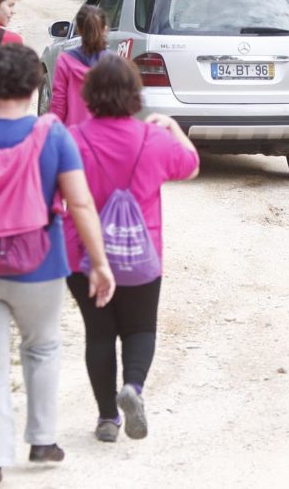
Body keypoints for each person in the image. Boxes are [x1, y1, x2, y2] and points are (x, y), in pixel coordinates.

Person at [0, 43, 116, 489]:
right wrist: (100, 263)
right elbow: (81, 203)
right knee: (43, 347)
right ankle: (43, 440)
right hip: (39, 264)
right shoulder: (53, 134)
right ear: (35, 87)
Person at [64, 55, 199, 444]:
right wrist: (172, 127)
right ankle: (133, 389)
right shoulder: (153, 139)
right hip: (142, 257)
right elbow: (190, 165)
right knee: (140, 328)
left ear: (90, 95)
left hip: (84, 256)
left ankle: (107, 418)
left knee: (99, 335)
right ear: (134, 95)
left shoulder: (73, 139)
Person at [51, 5, 110, 126]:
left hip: (73, 137)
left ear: (78, 29)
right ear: (105, 29)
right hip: (103, 137)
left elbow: (58, 105)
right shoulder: (114, 63)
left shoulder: (65, 62)